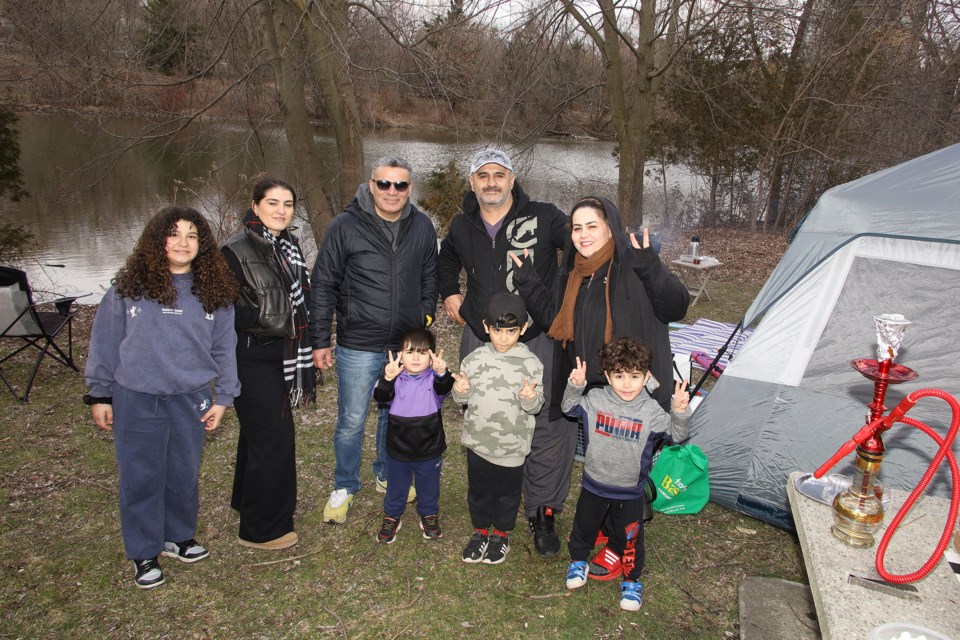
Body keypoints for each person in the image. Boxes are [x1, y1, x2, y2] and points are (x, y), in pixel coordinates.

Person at [512, 195, 690, 577]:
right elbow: (553, 318)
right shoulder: (577, 272)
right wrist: (527, 280)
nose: (583, 235)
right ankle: (609, 526)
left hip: (634, 391)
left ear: (610, 226)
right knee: (605, 465)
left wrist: (650, 266)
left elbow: (676, 306)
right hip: (598, 392)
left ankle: (618, 544)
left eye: (592, 226)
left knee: (629, 471)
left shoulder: (633, 265)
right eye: (577, 228)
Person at [84, 207, 239, 589]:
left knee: (183, 472)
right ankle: (144, 551)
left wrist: (224, 397)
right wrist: (99, 393)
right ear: (158, 240)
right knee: (141, 476)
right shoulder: (128, 289)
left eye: (192, 235)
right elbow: (104, 343)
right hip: (136, 397)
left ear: (201, 244)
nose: (183, 243)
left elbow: (224, 349)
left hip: (190, 398)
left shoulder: (214, 293)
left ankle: (177, 536)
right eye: (174, 234)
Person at [438, 148, 572, 557]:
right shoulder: (462, 225)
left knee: (545, 423)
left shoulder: (546, 217)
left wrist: (566, 305)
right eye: (483, 175)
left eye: (499, 174)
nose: (491, 182)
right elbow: (445, 261)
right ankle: (491, 511)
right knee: (487, 419)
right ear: (473, 182)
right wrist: (449, 293)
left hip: (536, 342)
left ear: (513, 180)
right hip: (480, 339)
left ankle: (542, 513)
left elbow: (584, 246)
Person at [310, 157, 438, 524]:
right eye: (385, 184)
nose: (392, 192)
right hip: (358, 342)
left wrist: (425, 314)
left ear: (410, 189)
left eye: (400, 185)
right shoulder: (344, 226)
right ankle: (345, 484)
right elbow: (323, 284)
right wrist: (321, 338)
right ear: (371, 185)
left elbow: (430, 273)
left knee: (391, 414)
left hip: (402, 344)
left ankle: (385, 472)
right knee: (352, 419)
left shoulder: (423, 226)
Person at [561, 337, 690, 611]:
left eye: (634, 376)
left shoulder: (651, 411)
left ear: (645, 378)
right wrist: (575, 385)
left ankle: (632, 580)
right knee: (583, 527)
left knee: (631, 538)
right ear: (607, 375)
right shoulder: (595, 400)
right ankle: (578, 562)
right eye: (619, 376)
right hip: (594, 485)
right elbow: (568, 408)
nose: (627, 383)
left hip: (630, 492)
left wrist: (679, 412)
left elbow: (677, 437)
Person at [221, 178, 314, 550]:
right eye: (272, 202)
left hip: (284, 354)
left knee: (257, 434)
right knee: (274, 439)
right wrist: (266, 315)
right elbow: (221, 309)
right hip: (252, 355)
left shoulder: (288, 246)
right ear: (255, 206)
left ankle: (246, 501)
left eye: (288, 204)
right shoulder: (234, 250)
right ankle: (262, 530)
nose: (280, 210)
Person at [452, 293, 545, 565]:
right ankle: (480, 531)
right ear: (485, 327)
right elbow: (461, 400)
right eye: (497, 331)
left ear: (524, 329)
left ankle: (501, 535)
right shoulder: (473, 360)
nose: (503, 338)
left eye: (511, 332)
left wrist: (529, 397)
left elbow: (535, 406)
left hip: (512, 447)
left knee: (507, 496)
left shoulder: (531, 364)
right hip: (478, 443)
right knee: (479, 492)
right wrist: (460, 391)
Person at [373, 328, 454, 544]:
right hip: (399, 448)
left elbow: (446, 386)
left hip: (429, 447)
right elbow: (380, 396)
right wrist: (388, 378)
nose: (416, 357)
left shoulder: (434, 381)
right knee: (397, 485)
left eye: (422, 352)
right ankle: (392, 515)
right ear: (399, 354)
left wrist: (442, 373)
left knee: (429, 484)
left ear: (432, 356)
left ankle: (428, 513)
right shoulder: (394, 378)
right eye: (409, 352)